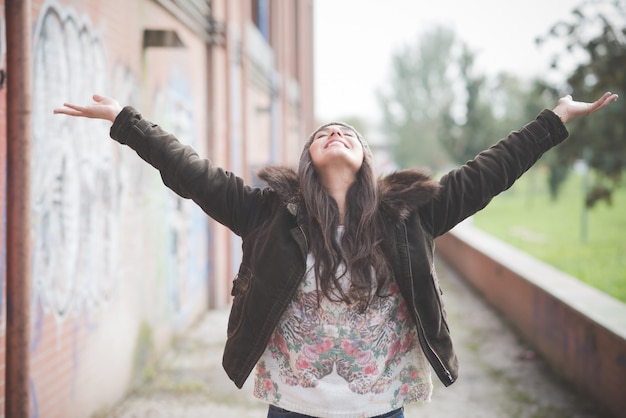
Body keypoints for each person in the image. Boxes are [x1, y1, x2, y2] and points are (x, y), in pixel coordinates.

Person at [54, 91, 618, 418]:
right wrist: (125, 123)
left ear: (367, 159)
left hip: (381, 408)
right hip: (294, 406)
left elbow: (488, 172)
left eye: (349, 132)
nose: (336, 134)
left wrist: (555, 120)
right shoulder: (267, 214)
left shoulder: (411, 213)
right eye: (324, 133)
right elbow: (192, 173)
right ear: (308, 159)